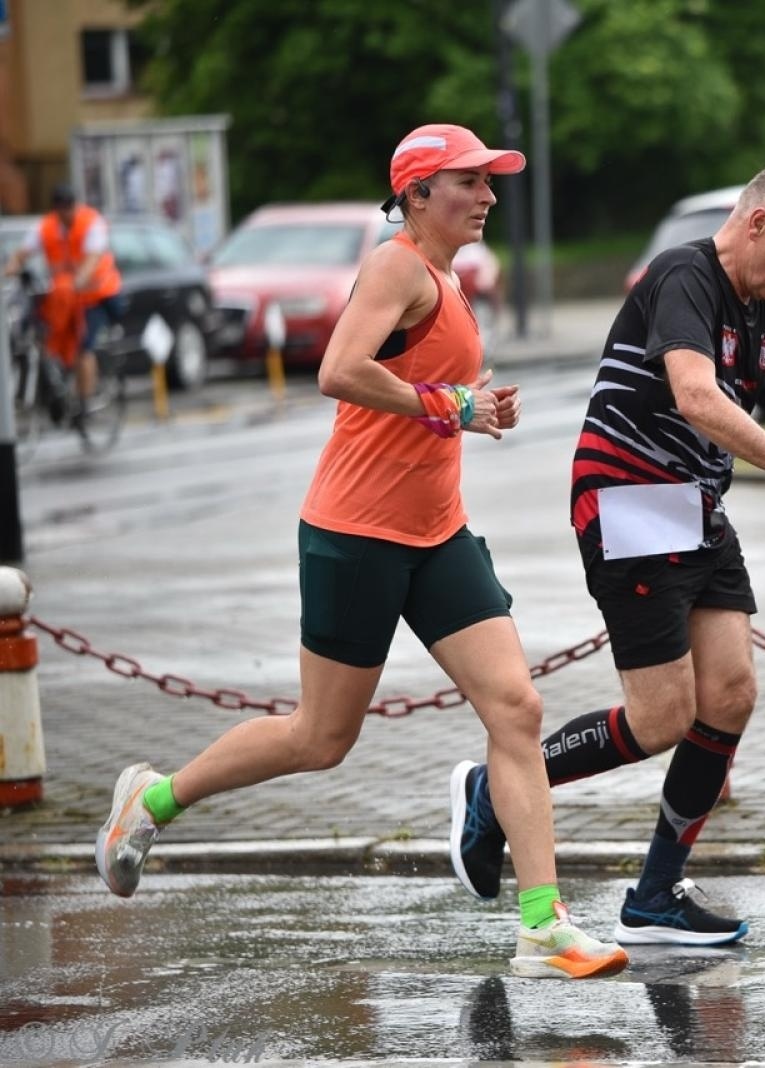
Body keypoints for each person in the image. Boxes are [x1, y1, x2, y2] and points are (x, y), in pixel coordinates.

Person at [93, 124, 628, 981]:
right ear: (418, 194)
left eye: (491, 182)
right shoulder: (396, 264)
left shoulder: (446, 280)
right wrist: (454, 405)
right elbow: (338, 370)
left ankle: (542, 923)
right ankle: (150, 803)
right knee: (320, 738)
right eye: (470, 182)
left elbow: (422, 387)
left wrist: (472, 407)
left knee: (516, 709)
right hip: (356, 535)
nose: (489, 196)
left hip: (438, 533)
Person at [447, 161, 765, 945]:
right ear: (758, 223)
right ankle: (493, 794)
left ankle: (655, 898)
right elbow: (698, 397)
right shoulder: (685, 277)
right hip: (628, 505)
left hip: (694, 507)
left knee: (730, 693)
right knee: (662, 716)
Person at [4, 183, 123, 417]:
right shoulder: (46, 227)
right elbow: (22, 253)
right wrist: (10, 268)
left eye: (68, 209)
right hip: (66, 297)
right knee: (44, 333)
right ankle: (56, 385)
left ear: (75, 206)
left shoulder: (91, 223)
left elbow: (93, 259)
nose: (65, 215)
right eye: (61, 210)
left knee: (83, 345)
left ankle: (85, 403)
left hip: (96, 296)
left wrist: (79, 280)